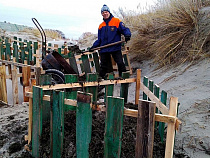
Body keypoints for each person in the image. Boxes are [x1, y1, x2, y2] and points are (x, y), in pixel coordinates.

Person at [90, 4, 131, 79]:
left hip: (115, 47)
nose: (104, 14)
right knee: (103, 65)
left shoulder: (116, 21)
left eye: (106, 12)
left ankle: (124, 78)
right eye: (103, 12)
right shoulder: (101, 26)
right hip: (104, 49)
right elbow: (99, 39)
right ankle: (102, 79)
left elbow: (124, 29)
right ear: (101, 14)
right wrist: (93, 46)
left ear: (109, 12)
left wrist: (127, 35)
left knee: (120, 63)